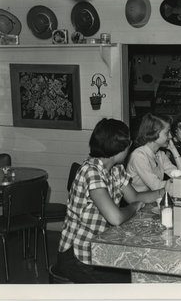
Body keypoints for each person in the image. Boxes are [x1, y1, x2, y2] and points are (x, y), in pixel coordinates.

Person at [55, 118, 164, 283]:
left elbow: (135, 197)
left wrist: (166, 190)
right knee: (131, 281)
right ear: (119, 147)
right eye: (128, 144)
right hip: (78, 256)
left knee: (138, 274)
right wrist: (135, 207)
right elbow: (116, 217)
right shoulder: (91, 171)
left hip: (99, 248)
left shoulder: (115, 169)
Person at [126, 113, 181, 192]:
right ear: (153, 133)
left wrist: (173, 149)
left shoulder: (160, 154)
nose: (170, 136)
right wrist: (179, 183)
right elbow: (156, 186)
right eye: (167, 133)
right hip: (139, 202)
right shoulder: (139, 156)